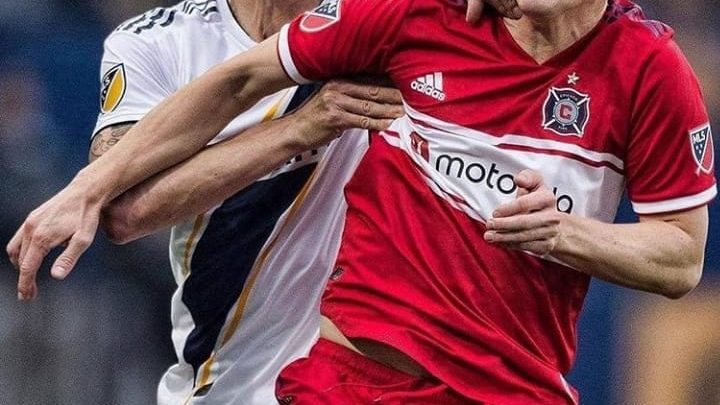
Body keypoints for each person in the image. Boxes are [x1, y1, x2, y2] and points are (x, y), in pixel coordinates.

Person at [8, 0, 716, 403]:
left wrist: (564, 232)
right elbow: (128, 208)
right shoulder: (159, 41)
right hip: (289, 375)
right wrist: (85, 189)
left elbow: (682, 256)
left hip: (497, 382)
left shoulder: (646, 68)